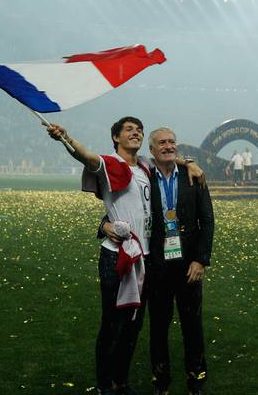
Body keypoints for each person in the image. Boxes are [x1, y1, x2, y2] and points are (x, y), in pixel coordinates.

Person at [47, 117, 202, 395]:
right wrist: (66, 139)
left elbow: (167, 157)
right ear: (116, 137)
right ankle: (105, 385)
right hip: (116, 259)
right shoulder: (109, 164)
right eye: (129, 130)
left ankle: (121, 382)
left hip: (144, 260)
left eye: (139, 130)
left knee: (133, 326)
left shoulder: (144, 166)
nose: (136, 133)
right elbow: (87, 157)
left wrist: (188, 162)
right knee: (113, 325)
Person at [103, 127, 214, 395]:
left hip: (189, 266)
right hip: (157, 266)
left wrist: (200, 260)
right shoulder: (144, 175)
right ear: (151, 151)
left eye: (172, 142)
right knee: (158, 328)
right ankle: (161, 382)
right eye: (162, 143)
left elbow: (207, 221)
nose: (168, 146)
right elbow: (124, 207)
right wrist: (103, 224)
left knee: (193, 326)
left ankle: (196, 380)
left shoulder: (193, 177)